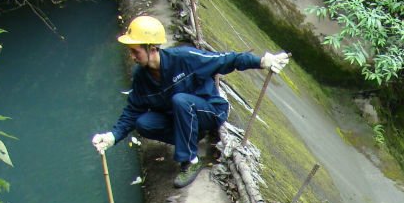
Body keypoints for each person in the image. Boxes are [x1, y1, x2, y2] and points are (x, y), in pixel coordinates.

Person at [92, 15, 289, 188]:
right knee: (142, 123)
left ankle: (191, 160)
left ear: (151, 49)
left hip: (210, 110)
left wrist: (262, 62)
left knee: (180, 100)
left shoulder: (184, 58)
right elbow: (133, 110)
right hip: (183, 118)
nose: (132, 56)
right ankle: (191, 137)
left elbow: (226, 59)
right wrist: (112, 136)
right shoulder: (141, 77)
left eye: (135, 51)